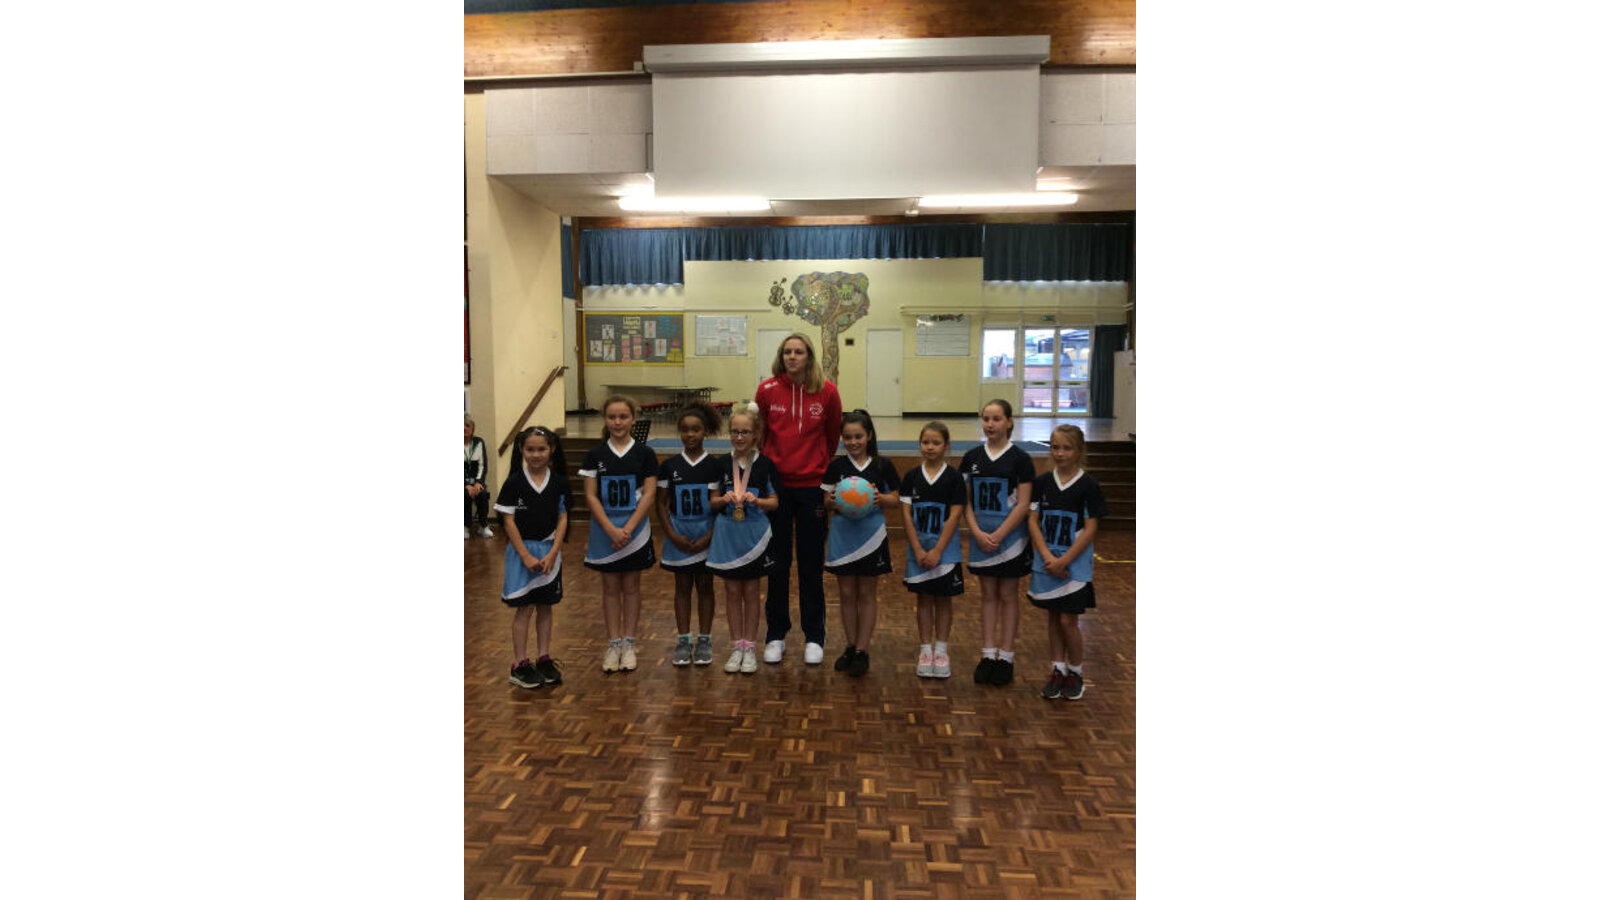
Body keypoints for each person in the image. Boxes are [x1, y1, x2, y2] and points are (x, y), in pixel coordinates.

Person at [754, 332, 842, 666]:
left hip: (812, 488)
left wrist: (816, 466)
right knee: (777, 564)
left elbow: (831, 437)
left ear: (809, 357)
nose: (792, 357)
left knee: (810, 565)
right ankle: (775, 634)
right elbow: (761, 434)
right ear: (781, 356)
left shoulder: (828, 392)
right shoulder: (766, 390)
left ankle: (814, 636)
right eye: (787, 352)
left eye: (799, 352)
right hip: (776, 489)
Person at [1026, 424, 1109, 700]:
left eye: (1066, 448)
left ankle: (1076, 671)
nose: (1060, 453)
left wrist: (1065, 560)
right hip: (1047, 564)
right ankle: (1057, 669)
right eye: (1055, 447)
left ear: (1079, 450)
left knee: (1067, 621)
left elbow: (1091, 528)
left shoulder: (1089, 486)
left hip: (1073, 567)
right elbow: (1033, 521)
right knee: (1053, 618)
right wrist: (1047, 557)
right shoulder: (1042, 483)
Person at [579, 395, 658, 674]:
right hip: (605, 530)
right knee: (610, 588)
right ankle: (613, 644)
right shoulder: (595, 455)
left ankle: (629, 644)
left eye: (623, 416)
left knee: (632, 587)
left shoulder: (645, 454)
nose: (617, 422)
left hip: (635, 530)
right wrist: (610, 529)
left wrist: (628, 528)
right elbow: (591, 495)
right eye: (612, 417)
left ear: (633, 419)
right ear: (605, 419)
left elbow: (649, 493)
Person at [960, 399, 1035, 687]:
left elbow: (1024, 503)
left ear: (1009, 422)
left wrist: (1000, 534)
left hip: (1011, 540)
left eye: (996, 419)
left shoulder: (1021, 459)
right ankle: (988, 654)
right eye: (986, 419)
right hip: (982, 538)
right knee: (988, 595)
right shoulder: (971, 457)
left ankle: (1006, 657)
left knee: (1008, 595)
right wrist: (976, 532)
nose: (990, 424)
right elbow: (965, 500)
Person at [821, 409, 900, 677]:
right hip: (843, 538)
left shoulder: (882, 466)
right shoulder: (836, 467)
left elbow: (895, 499)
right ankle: (851, 645)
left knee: (866, 594)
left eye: (858, 436)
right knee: (846, 595)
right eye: (848, 437)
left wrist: (881, 498)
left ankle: (863, 650)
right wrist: (831, 502)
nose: (853, 442)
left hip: (871, 538)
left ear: (869, 436)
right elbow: (825, 501)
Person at [706, 402, 781, 674]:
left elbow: (775, 502)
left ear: (756, 434)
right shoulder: (720, 464)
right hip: (728, 535)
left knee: (751, 592)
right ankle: (736, 646)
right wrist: (723, 499)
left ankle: (750, 647)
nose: (739, 437)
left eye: (745, 432)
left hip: (754, 535)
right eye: (735, 432)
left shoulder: (765, 465)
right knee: (731, 592)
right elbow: (712, 501)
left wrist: (758, 501)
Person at [494, 426, 569, 689]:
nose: (536, 454)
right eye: (530, 449)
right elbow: (508, 521)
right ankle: (519, 664)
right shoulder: (514, 482)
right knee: (524, 609)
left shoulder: (559, 482)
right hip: (521, 554)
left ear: (552, 449)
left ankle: (544, 658)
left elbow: (563, 518)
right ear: (521, 450)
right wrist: (525, 555)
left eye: (541, 449)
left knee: (546, 606)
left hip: (549, 553)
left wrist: (553, 552)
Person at [656, 401, 723, 667]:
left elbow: (719, 505)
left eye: (695, 429)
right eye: (685, 430)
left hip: (705, 534)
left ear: (705, 431)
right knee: (682, 587)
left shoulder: (714, 466)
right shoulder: (669, 465)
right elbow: (661, 503)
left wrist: (710, 537)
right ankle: (683, 640)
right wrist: (671, 535)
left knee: (706, 586)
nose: (690, 434)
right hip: (679, 535)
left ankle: (705, 639)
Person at [899, 421, 966, 678]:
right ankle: (925, 650)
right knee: (924, 600)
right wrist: (917, 548)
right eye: (925, 442)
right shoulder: (911, 477)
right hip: (918, 553)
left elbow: (955, 515)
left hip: (945, 553)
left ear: (946, 445)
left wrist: (938, 549)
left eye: (936, 442)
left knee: (944, 600)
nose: (930, 447)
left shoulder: (954, 478)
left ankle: (941, 651)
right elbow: (906, 515)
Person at [465, 413, 493, 539]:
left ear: (472, 429)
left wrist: (478, 482)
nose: (464, 428)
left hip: (476, 481)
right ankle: (465, 526)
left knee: (482, 494)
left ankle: (483, 525)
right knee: (465, 495)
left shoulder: (479, 442)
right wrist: (466, 485)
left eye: (467, 426)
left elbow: (483, 465)